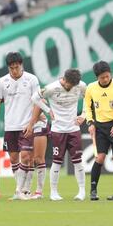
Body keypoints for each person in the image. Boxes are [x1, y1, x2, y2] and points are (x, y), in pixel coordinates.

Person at [0, 52, 39, 200]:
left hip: (26, 125)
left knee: (26, 156)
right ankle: (23, 190)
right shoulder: (2, 81)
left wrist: (32, 123)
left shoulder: (31, 79)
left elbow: (38, 102)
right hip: (10, 126)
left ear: (21, 65)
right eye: (11, 68)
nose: (14, 71)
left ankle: (21, 190)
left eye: (16, 67)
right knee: (13, 158)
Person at [31, 69, 87, 201]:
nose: (72, 88)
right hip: (58, 130)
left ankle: (82, 191)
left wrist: (83, 115)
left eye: (74, 86)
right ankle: (54, 192)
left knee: (78, 161)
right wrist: (48, 110)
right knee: (57, 161)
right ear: (64, 79)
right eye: (70, 85)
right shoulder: (51, 88)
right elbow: (34, 98)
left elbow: (88, 98)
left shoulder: (81, 85)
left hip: (74, 128)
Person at [84, 61, 113, 201]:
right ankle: (93, 191)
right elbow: (88, 107)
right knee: (99, 158)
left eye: (107, 76)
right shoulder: (90, 88)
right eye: (102, 77)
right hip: (100, 128)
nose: (105, 79)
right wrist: (90, 123)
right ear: (97, 77)